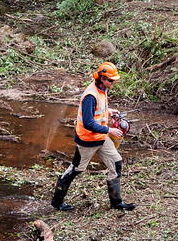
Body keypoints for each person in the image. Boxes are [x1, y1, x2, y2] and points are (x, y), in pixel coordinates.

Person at [51, 62, 135, 211]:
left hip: (101, 137)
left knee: (116, 163)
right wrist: (109, 130)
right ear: (102, 78)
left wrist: (109, 111)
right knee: (76, 169)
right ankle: (57, 201)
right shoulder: (90, 95)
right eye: (110, 80)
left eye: (114, 80)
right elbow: (89, 122)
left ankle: (116, 203)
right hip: (88, 140)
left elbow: (98, 110)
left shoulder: (102, 89)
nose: (113, 83)